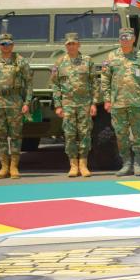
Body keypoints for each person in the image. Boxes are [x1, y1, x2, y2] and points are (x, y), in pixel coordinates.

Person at [102, 28, 140, 176]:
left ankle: (138, 164)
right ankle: (126, 163)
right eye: (122, 37)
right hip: (118, 104)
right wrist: (107, 100)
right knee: (121, 135)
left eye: (128, 37)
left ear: (133, 39)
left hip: (138, 104)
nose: (124, 39)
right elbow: (105, 80)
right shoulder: (112, 56)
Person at [0, 33, 32, 179]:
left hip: (15, 101)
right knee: (0, 135)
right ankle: (4, 167)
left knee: (16, 135)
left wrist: (27, 102)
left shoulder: (20, 61)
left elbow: (28, 83)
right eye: (3, 44)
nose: (6, 46)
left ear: (12, 45)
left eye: (8, 44)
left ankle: (14, 167)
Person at [50, 33, 98, 178]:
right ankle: (73, 165)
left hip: (84, 103)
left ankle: (83, 164)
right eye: (69, 44)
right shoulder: (59, 62)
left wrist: (94, 103)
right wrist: (58, 105)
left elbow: (94, 84)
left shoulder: (88, 61)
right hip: (68, 104)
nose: (71, 46)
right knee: (70, 134)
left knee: (84, 134)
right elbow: (55, 85)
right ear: (65, 46)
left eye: (74, 43)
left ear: (79, 44)